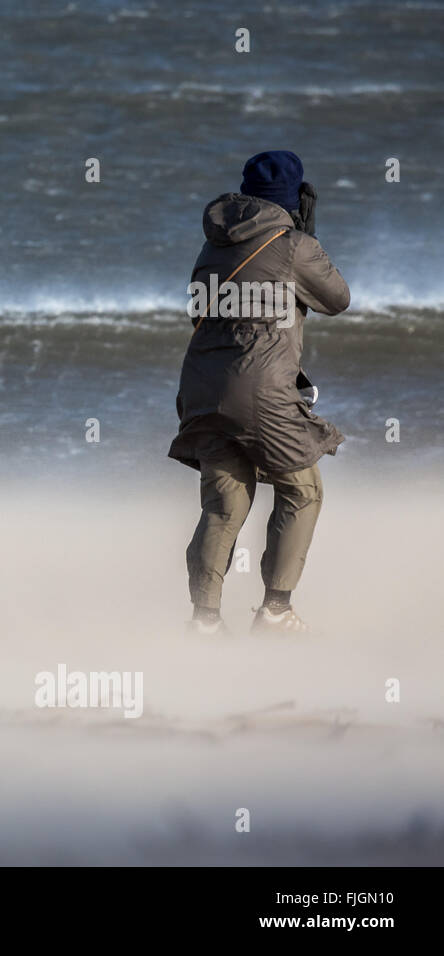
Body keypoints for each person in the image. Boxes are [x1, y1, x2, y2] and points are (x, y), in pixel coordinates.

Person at [169, 151, 350, 635]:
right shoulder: (293, 246)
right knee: (303, 490)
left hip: (203, 390)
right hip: (264, 393)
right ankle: (275, 610)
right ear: (294, 200)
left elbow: (202, 316)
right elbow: (337, 299)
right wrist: (308, 238)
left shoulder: (210, 248)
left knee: (224, 505)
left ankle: (204, 621)